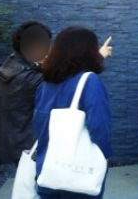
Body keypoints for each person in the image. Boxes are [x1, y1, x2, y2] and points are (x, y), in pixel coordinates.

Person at [34, 26, 112, 199]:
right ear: (89, 52)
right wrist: (104, 156)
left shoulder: (45, 84)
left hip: (48, 169)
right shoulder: (90, 82)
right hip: (78, 173)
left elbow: (39, 124)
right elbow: (99, 127)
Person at [0, 21, 52, 163]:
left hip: (12, 141)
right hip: (31, 146)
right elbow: (66, 88)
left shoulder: (10, 66)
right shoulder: (30, 78)